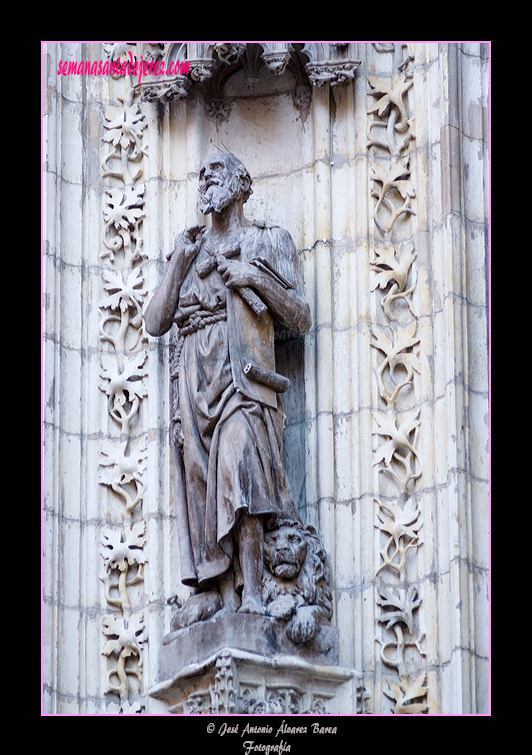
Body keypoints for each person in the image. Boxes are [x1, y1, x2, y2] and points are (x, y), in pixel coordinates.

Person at [145, 152, 311, 627]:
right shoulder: (190, 251)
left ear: (241, 184)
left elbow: (301, 318)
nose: (204, 181)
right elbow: (156, 322)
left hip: (244, 378)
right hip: (194, 383)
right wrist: (177, 261)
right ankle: (219, 592)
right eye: (200, 175)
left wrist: (254, 276)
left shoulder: (267, 240)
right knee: (201, 487)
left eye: (214, 173)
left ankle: (255, 591)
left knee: (240, 464)